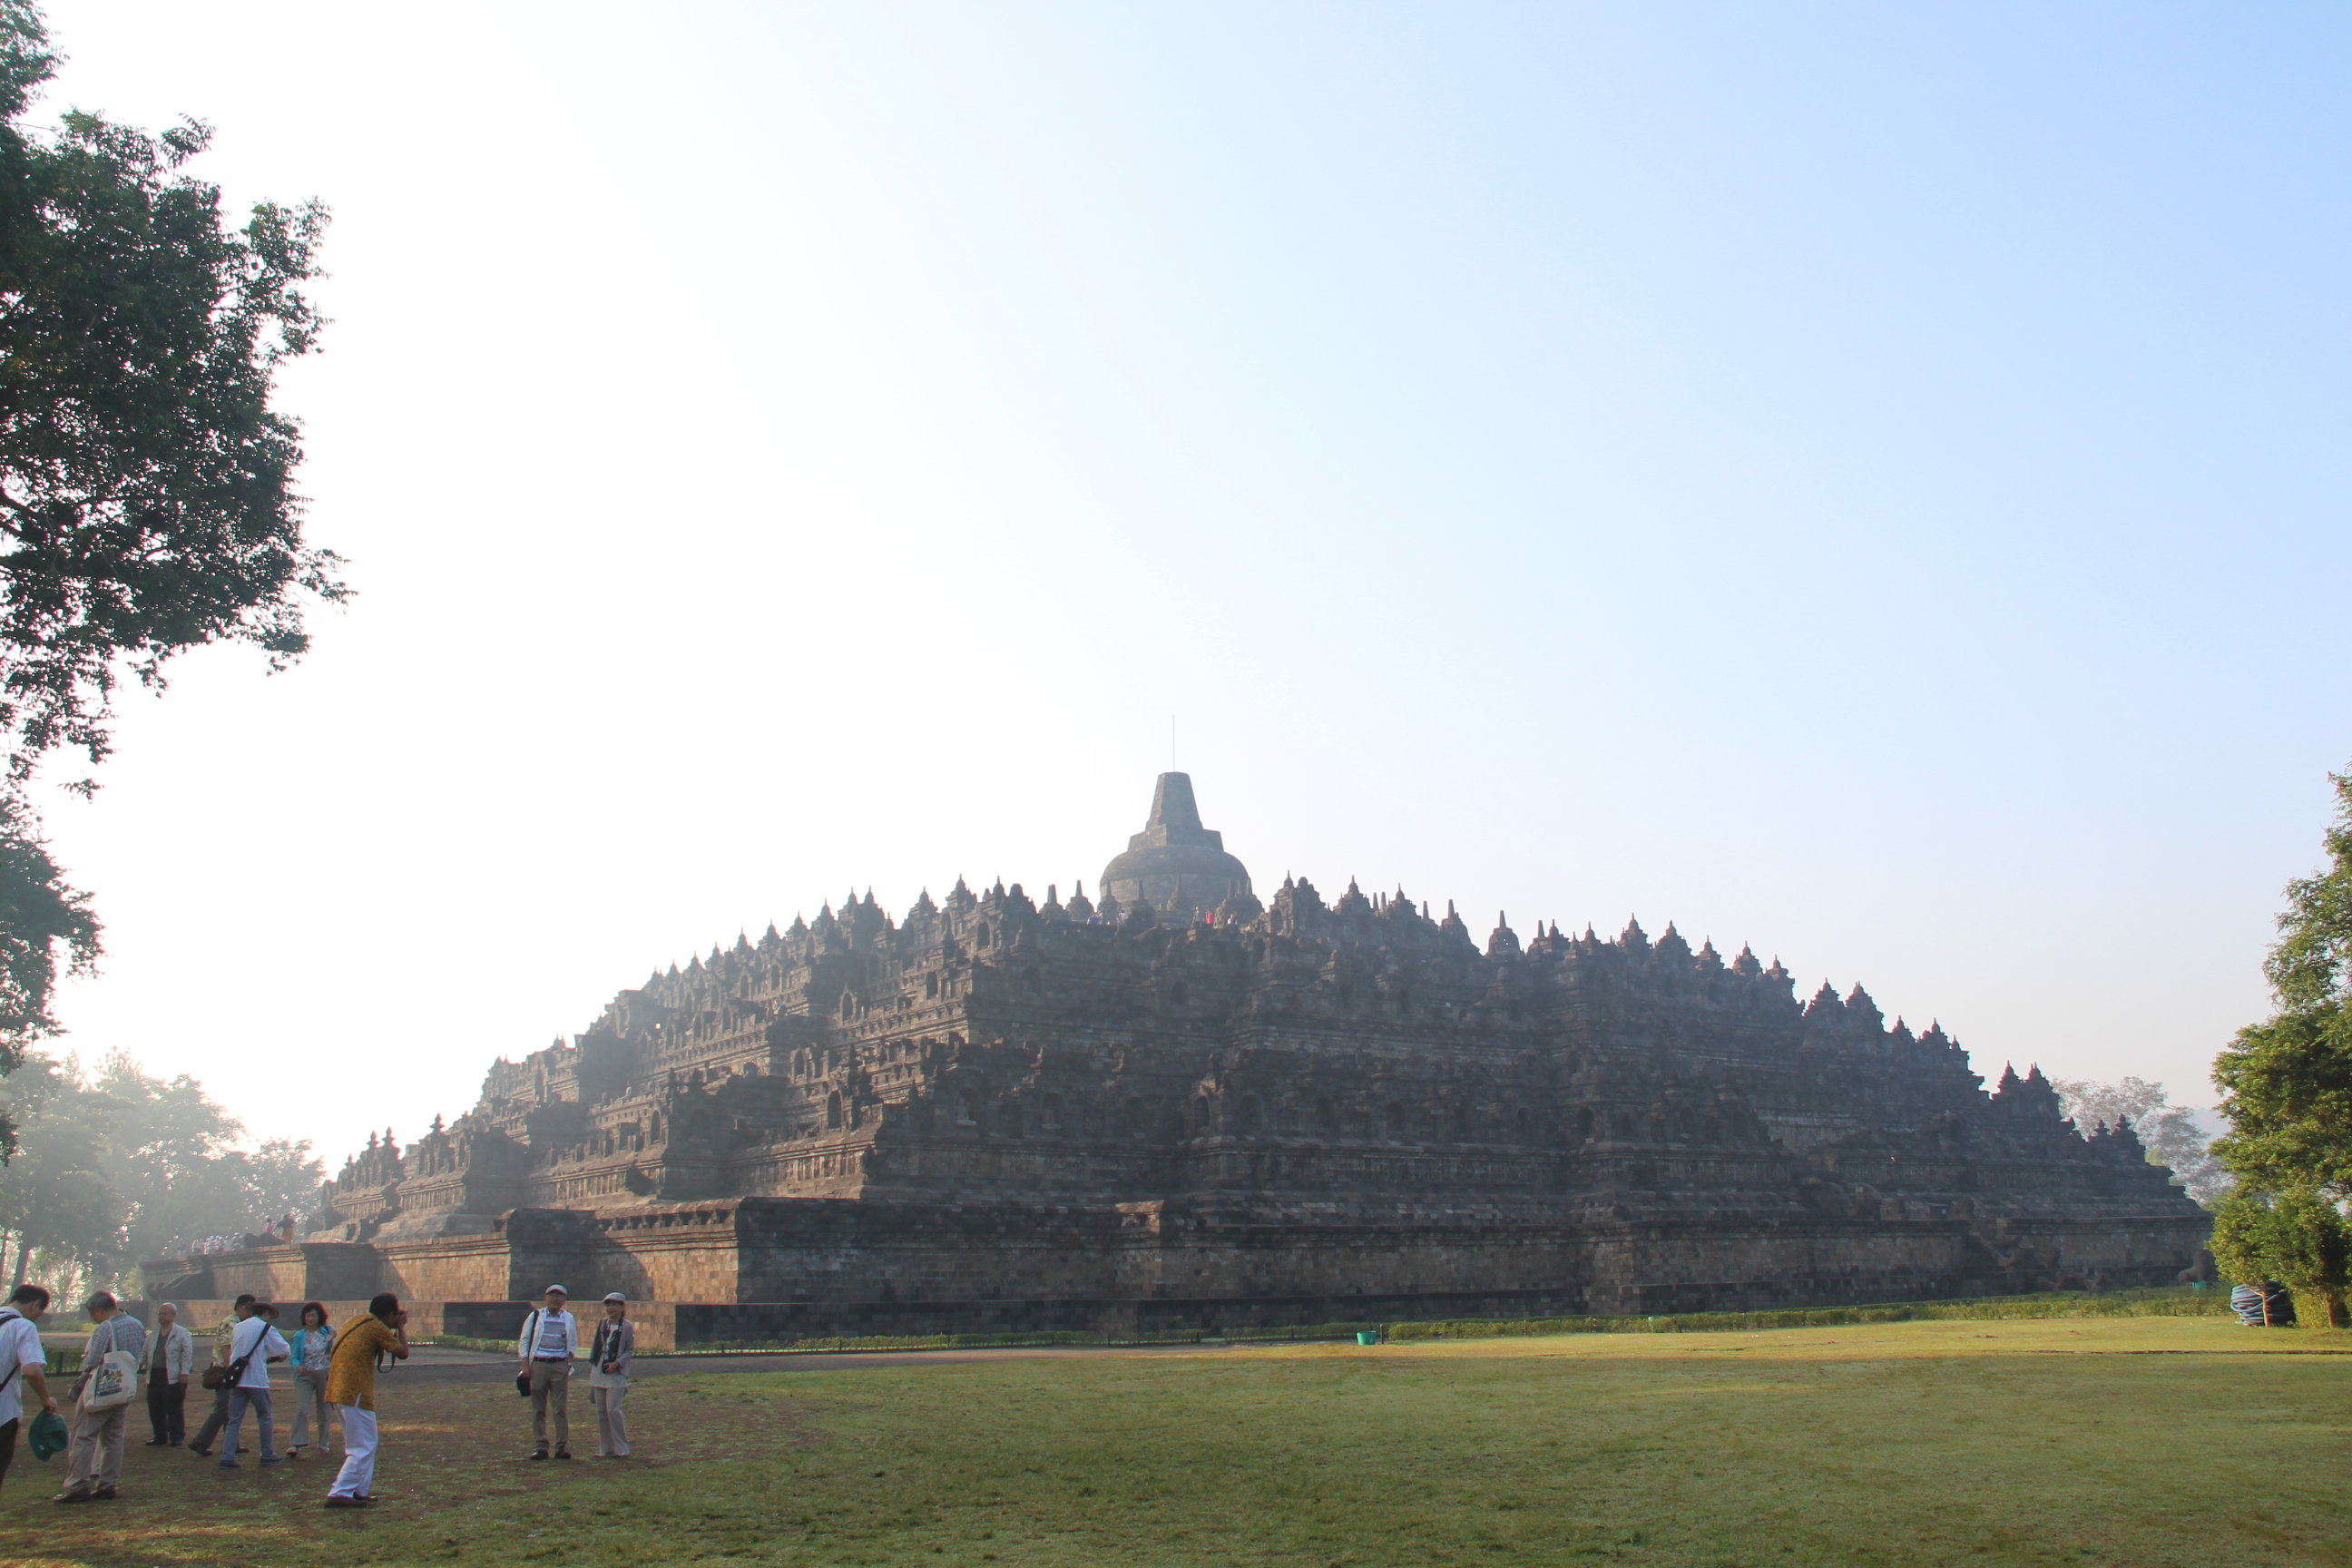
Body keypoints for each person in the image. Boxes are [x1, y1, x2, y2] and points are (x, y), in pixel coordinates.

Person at [54, 1291, 145, 1504]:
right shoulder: (136, 1324)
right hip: (124, 1386)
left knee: (83, 1436)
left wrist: (83, 1370)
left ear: (97, 1310)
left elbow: (93, 1360)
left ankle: (77, 1485)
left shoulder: (105, 1328)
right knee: (114, 1437)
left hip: (102, 1388)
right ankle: (107, 1484)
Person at [323, 1291, 409, 1508]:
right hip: (354, 1391)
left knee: (364, 1442)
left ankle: (358, 1490)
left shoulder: (356, 1321)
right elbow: (403, 1352)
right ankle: (340, 1491)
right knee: (363, 1445)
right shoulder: (375, 1327)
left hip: (337, 1389)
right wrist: (401, 1328)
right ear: (390, 1314)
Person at [217, 1300, 289, 1469]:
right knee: (265, 1416)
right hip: (256, 1379)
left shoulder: (239, 1327)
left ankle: (227, 1456)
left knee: (234, 1420)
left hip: (238, 1379)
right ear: (265, 1313)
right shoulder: (265, 1328)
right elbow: (284, 1349)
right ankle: (267, 1453)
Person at [0, 1284, 57, 1498]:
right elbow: (32, 1371)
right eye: (39, 1313)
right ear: (35, 1305)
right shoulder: (22, 1326)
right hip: (3, 1413)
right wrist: (45, 1399)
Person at [187, 1293, 258, 1456]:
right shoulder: (230, 1324)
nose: (250, 1313)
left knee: (229, 1407)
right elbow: (226, 1348)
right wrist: (231, 1370)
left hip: (227, 1369)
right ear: (239, 1307)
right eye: (249, 1309)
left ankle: (231, 1443)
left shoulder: (237, 1323)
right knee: (224, 1407)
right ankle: (201, 1441)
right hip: (224, 1370)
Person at [515, 1284, 577, 1461]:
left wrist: (567, 1362)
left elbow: (572, 1342)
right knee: (538, 1408)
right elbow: (525, 1341)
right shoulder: (536, 1316)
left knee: (560, 1408)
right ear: (545, 1298)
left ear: (564, 1300)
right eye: (552, 1295)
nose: (555, 1299)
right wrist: (526, 1366)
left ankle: (561, 1446)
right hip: (539, 1364)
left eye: (559, 1296)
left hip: (559, 1364)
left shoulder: (568, 1318)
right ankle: (540, 1446)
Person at [287, 1302, 337, 1457]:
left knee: (324, 1410)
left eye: (313, 1315)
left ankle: (323, 1444)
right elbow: (294, 1357)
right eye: (308, 1316)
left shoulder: (327, 1331)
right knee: (301, 1408)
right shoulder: (299, 1336)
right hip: (305, 1376)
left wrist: (330, 1340)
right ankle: (296, 1443)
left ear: (319, 1317)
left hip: (324, 1374)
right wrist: (297, 1366)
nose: (310, 1319)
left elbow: (336, 1351)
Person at [587, 1292, 633, 1458]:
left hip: (616, 1372)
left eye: (614, 1305)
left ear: (621, 1307)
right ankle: (606, 1449)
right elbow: (596, 1347)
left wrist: (617, 1363)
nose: (611, 1308)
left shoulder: (626, 1326)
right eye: (608, 1305)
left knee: (613, 1410)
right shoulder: (602, 1324)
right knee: (601, 1412)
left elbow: (629, 1350)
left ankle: (622, 1448)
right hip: (599, 1370)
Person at [143, 1301, 193, 1446]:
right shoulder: (153, 1335)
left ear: (174, 1315)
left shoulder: (182, 1333)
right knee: (155, 1407)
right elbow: (144, 1353)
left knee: (174, 1407)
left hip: (172, 1376)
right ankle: (160, 1436)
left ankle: (176, 1436)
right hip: (154, 1375)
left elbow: (186, 1355)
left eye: (165, 1314)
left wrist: (184, 1373)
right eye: (160, 1314)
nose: (162, 1316)